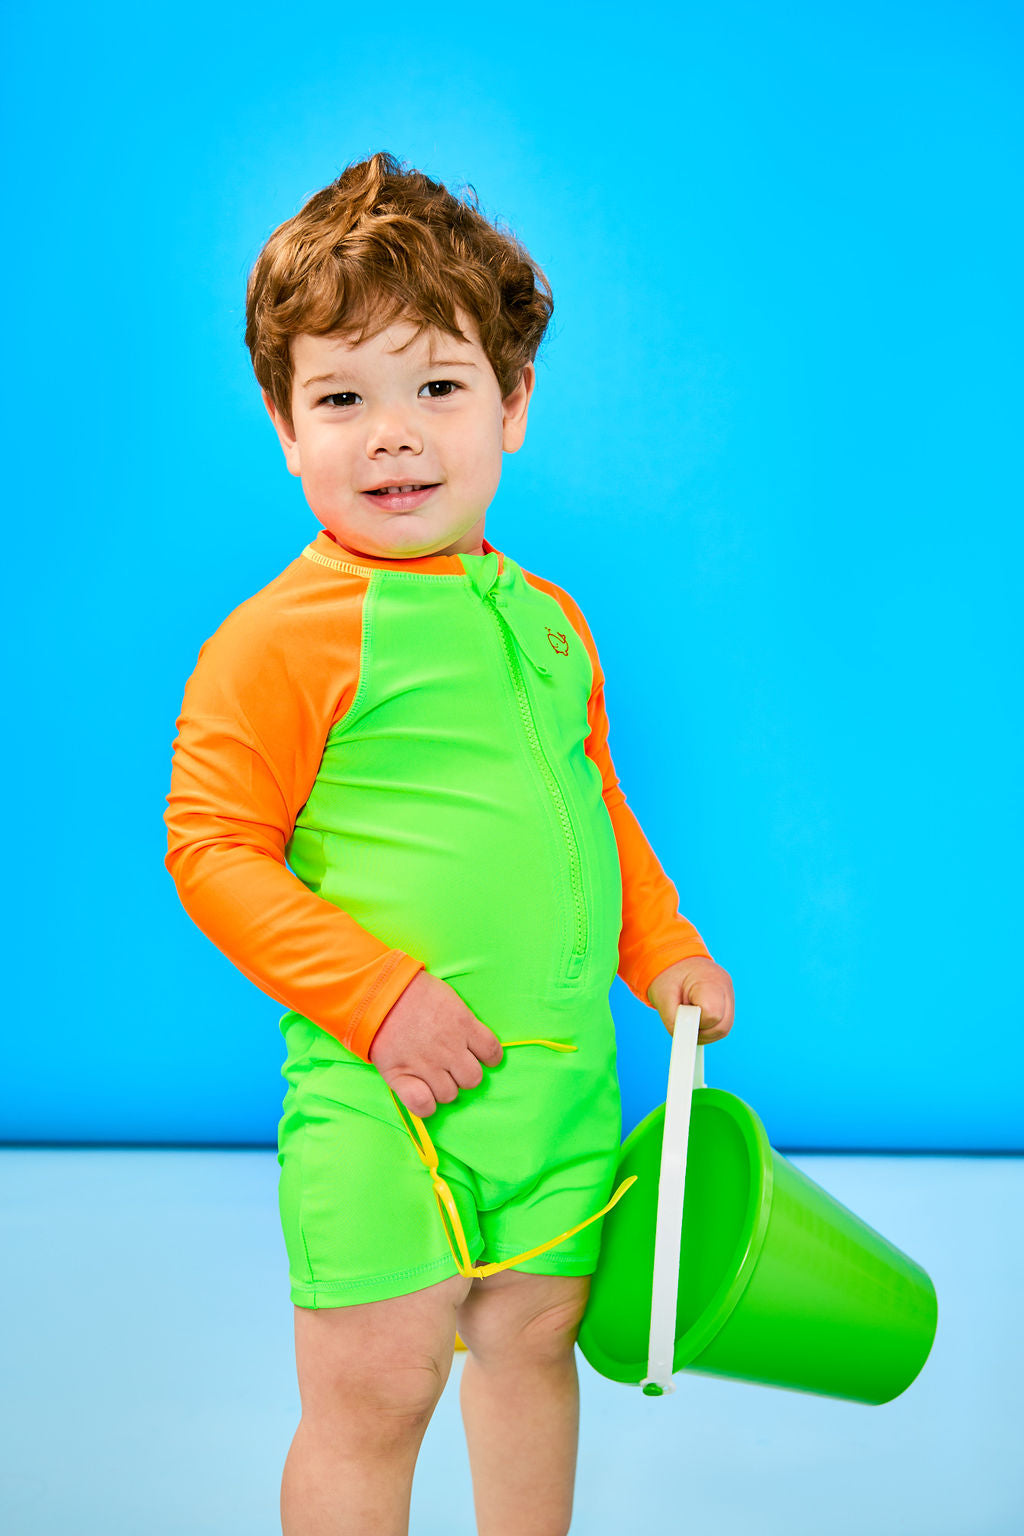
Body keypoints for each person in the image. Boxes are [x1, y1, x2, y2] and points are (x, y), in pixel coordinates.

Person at [164, 149, 735, 1536]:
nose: (393, 435)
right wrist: (380, 1001)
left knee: (535, 1346)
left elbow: (589, 802)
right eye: (342, 398)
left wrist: (663, 947)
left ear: (513, 404)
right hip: (382, 1094)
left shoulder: (549, 620)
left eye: (437, 387)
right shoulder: (279, 640)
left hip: (557, 1093)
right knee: (376, 1387)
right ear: (285, 427)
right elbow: (212, 846)